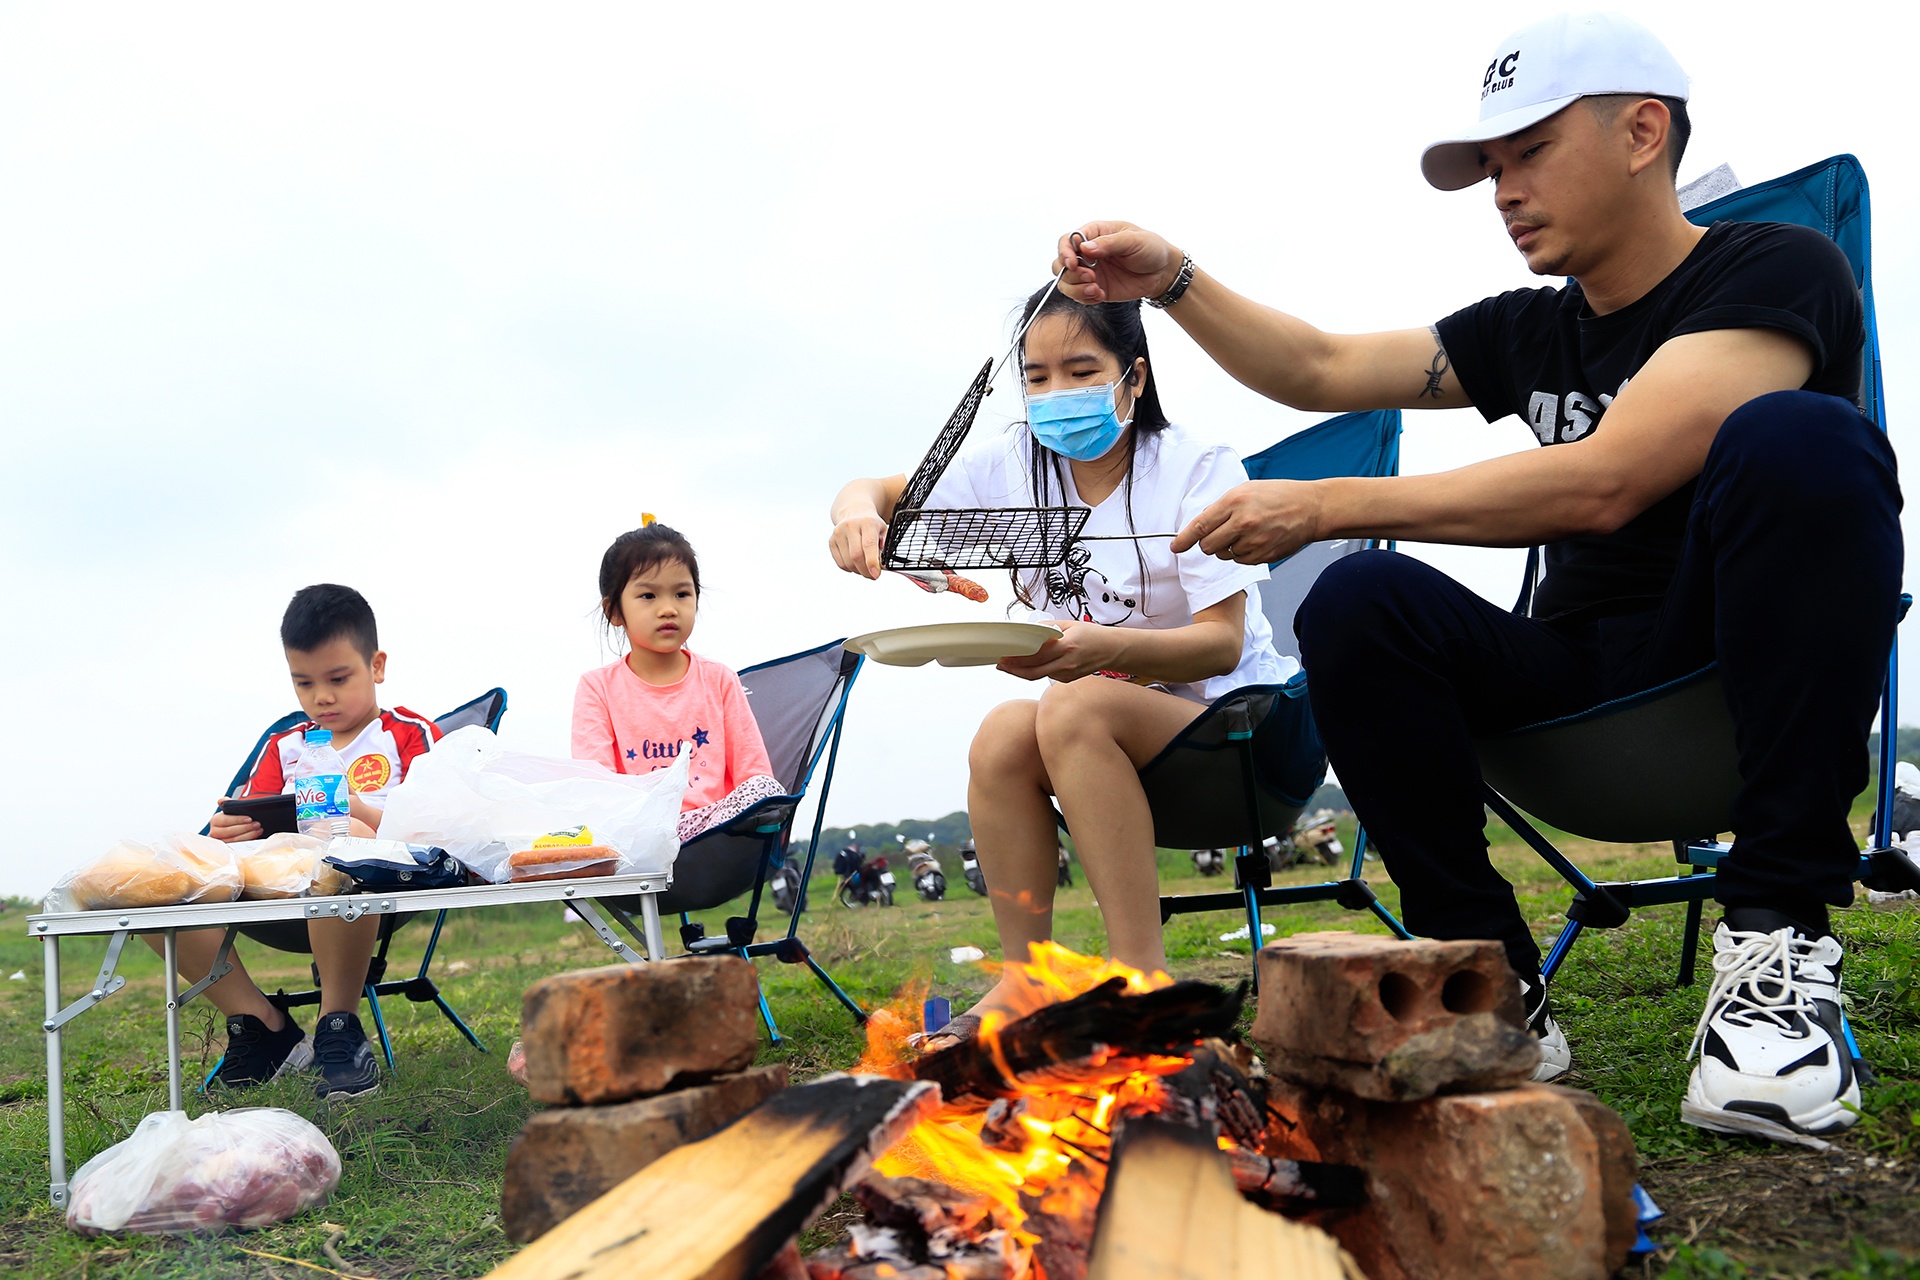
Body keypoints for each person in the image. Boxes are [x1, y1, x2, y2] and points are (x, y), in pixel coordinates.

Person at [1049, 12, 1897, 1145]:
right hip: (1570, 686)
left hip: (1726, 670)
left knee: (1802, 438)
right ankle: (1492, 983)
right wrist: (1176, 280)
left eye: (1530, 152)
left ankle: (1779, 945)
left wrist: (1329, 504)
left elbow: (1604, 483)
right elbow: (1322, 367)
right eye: (1491, 167)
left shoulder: (1778, 267)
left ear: (1643, 131)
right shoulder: (1526, 332)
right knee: (1356, 598)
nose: (1504, 190)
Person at [829, 286, 1297, 1047]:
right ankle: (1024, 979)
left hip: (1239, 739)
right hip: (1108, 750)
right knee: (1001, 735)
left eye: (1081, 371)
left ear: (1133, 378)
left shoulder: (1196, 469)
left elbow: (1218, 642)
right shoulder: (1017, 464)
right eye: (1036, 377)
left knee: (1073, 704)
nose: (1055, 395)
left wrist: (1102, 652)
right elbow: (880, 490)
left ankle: (1141, 981)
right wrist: (855, 516)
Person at [172, 583, 442, 1098]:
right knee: (162, 881)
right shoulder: (285, 745)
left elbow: (440, 829)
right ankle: (262, 1025)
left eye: (339, 678)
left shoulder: (407, 734)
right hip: (275, 901)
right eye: (304, 683)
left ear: (377, 666)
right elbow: (246, 820)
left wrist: (348, 808)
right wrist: (232, 832)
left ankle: (338, 1024)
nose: (322, 697)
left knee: (348, 843)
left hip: (373, 894)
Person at [572, 522, 781, 840]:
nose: (668, 609)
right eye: (648, 595)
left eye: (682, 594)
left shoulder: (719, 679)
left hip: (711, 834)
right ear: (614, 610)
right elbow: (595, 784)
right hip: (636, 834)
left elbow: (753, 771)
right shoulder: (597, 688)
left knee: (764, 787)